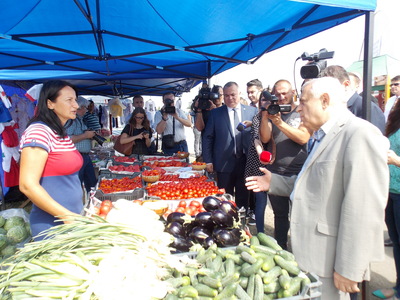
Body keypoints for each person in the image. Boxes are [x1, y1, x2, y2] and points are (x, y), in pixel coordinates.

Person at [246, 77, 389, 299]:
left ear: (324, 100)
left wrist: (350, 267)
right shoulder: (321, 135)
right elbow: (313, 183)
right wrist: (274, 182)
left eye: (303, 102)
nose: (299, 108)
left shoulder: (359, 134)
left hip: (332, 262)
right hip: (312, 255)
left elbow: (365, 208)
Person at [19, 80, 84, 240]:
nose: (76, 105)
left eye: (75, 100)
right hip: (52, 226)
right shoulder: (38, 131)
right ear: (50, 103)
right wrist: (66, 216)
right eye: (69, 100)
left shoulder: (59, 133)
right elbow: (27, 185)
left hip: (71, 220)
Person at [259, 79, 312, 249]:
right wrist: (266, 116)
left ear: (293, 93)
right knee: (280, 216)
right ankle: (281, 249)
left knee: (301, 217)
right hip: (277, 171)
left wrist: (280, 123)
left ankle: (301, 251)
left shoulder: (301, 112)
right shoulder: (274, 112)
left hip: (300, 173)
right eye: (278, 94)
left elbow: (303, 137)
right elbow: (265, 138)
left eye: (285, 93)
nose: (281, 97)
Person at [202, 81, 257, 210]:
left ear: (239, 94)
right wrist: (208, 160)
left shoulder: (252, 111)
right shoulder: (216, 114)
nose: (230, 98)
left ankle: (242, 220)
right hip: (223, 163)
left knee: (243, 197)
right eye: (226, 95)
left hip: (245, 163)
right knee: (225, 198)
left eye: (233, 94)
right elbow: (208, 137)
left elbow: (258, 135)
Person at [372, 99, 400, 300]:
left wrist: (396, 161)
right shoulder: (395, 119)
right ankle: (398, 287)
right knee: (396, 241)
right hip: (390, 190)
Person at [320, 65, 386, 134]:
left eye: (329, 87)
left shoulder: (368, 108)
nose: (326, 91)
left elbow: (372, 140)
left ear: (346, 84)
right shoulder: (335, 107)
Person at [244, 90, 274, 232]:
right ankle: (261, 232)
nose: (265, 102)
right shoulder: (257, 117)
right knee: (260, 199)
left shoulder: (278, 117)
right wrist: (262, 155)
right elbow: (257, 138)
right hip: (258, 161)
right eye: (263, 99)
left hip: (275, 161)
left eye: (268, 100)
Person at [65, 96, 98, 194]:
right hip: (77, 156)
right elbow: (67, 139)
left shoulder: (79, 120)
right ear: (79, 108)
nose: (86, 110)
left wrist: (88, 135)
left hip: (85, 156)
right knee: (77, 184)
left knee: (91, 183)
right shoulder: (71, 121)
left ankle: (90, 202)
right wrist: (85, 135)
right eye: (84, 108)